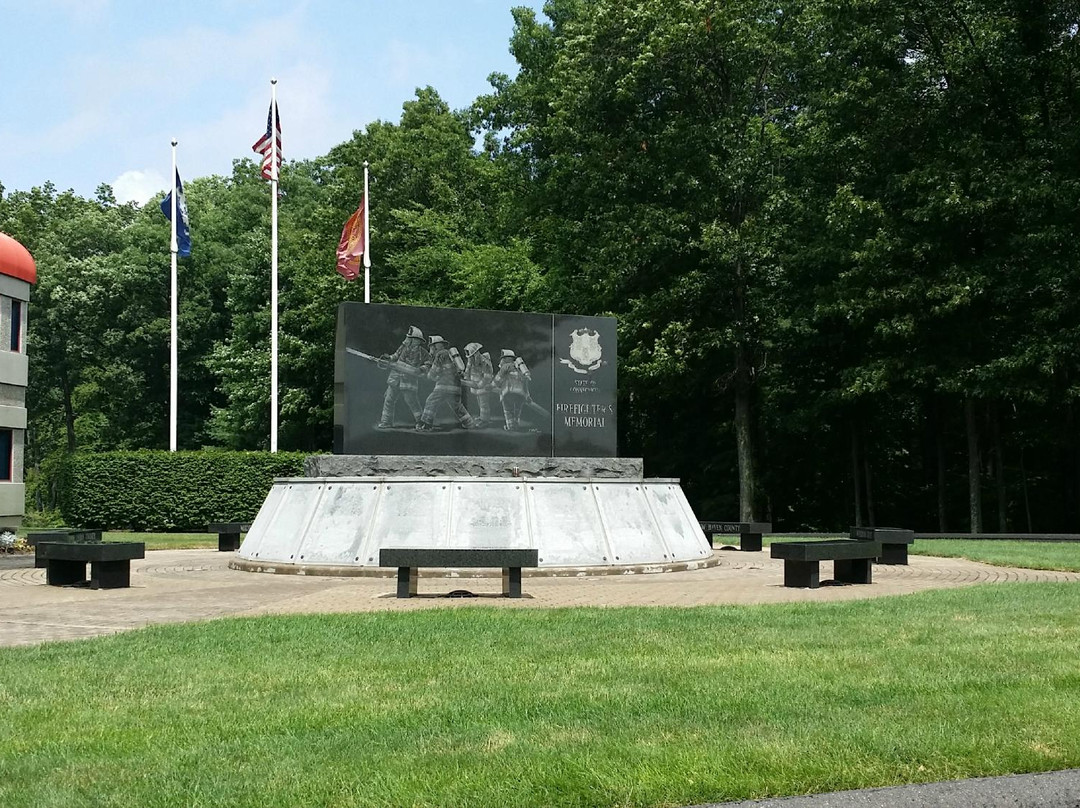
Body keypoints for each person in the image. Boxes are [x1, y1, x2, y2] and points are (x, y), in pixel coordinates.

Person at [417, 335, 474, 431]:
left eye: (431, 346)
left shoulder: (440, 354)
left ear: (435, 346)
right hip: (456, 387)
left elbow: (434, 371)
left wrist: (429, 375)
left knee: (431, 401)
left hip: (443, 386)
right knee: (457, 407)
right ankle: (469, 423)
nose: (430, 349)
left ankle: (426, 425)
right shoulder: (450, 354)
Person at [376, 326, 430, 429]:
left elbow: (428, 364)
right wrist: (389, 358)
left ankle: (421, 422)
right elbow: (395, 356)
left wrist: (421, 369)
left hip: (409, 379)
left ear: (417, 340)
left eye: (411, 338)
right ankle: (386, 422)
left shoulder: (423, 352)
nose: (408, 340)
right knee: (389, 399)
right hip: (395, 377)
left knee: (412, 401)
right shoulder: (403, 347)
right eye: (408, 338)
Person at [493, 349, 532, 431]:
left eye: (503, 358)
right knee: (517, 410)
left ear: (507, 358)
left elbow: (498, 379)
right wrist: (527, 395)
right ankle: (516, 425)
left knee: (508, 410)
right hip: (521, 394)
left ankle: (510, 427)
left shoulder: (506, 366)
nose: (501, 360)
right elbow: (525, 381)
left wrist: (491, 385)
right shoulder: (520, 368)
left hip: (508, 392)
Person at [463, 342, 495, 428]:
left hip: (483, 385)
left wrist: (480, 384)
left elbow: (488, 376)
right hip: (476, 385)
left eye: (472, 356)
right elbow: (467, 370)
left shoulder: (485, 362)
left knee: (484, 403)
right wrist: (466, 378)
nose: (470, 359)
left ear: (476, 354)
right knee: (479, 402)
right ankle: (482, 417)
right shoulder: (471, 361)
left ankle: (485, 420)